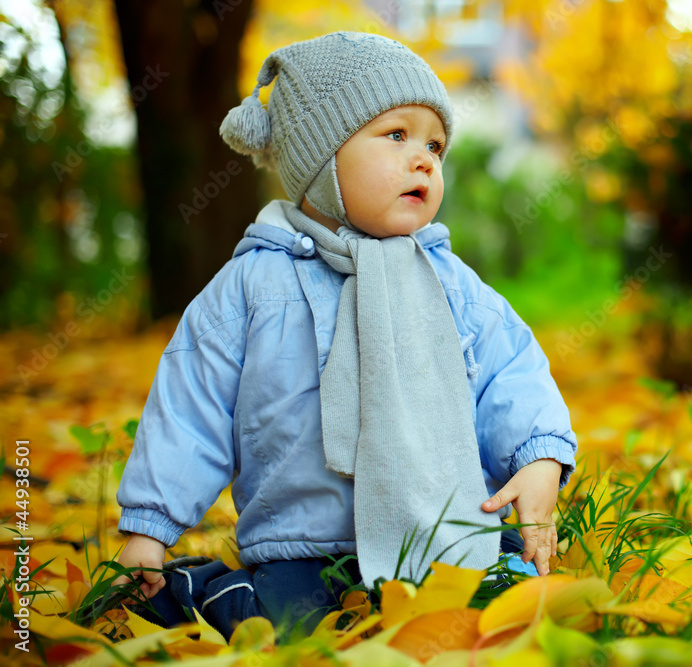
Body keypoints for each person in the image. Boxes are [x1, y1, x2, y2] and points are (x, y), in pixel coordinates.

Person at [111, 31, 578, 642]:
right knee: (283, 630)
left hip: (442, 532)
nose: (424, 159)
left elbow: (511, 370)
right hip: (302, 542)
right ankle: (205, 591)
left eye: (435, 144)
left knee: (505, 606)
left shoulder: (449, 284)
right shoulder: (253, 285)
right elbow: (190, 404)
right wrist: (147, 528)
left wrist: (539, 456)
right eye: (396, 135)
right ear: (321, 157)